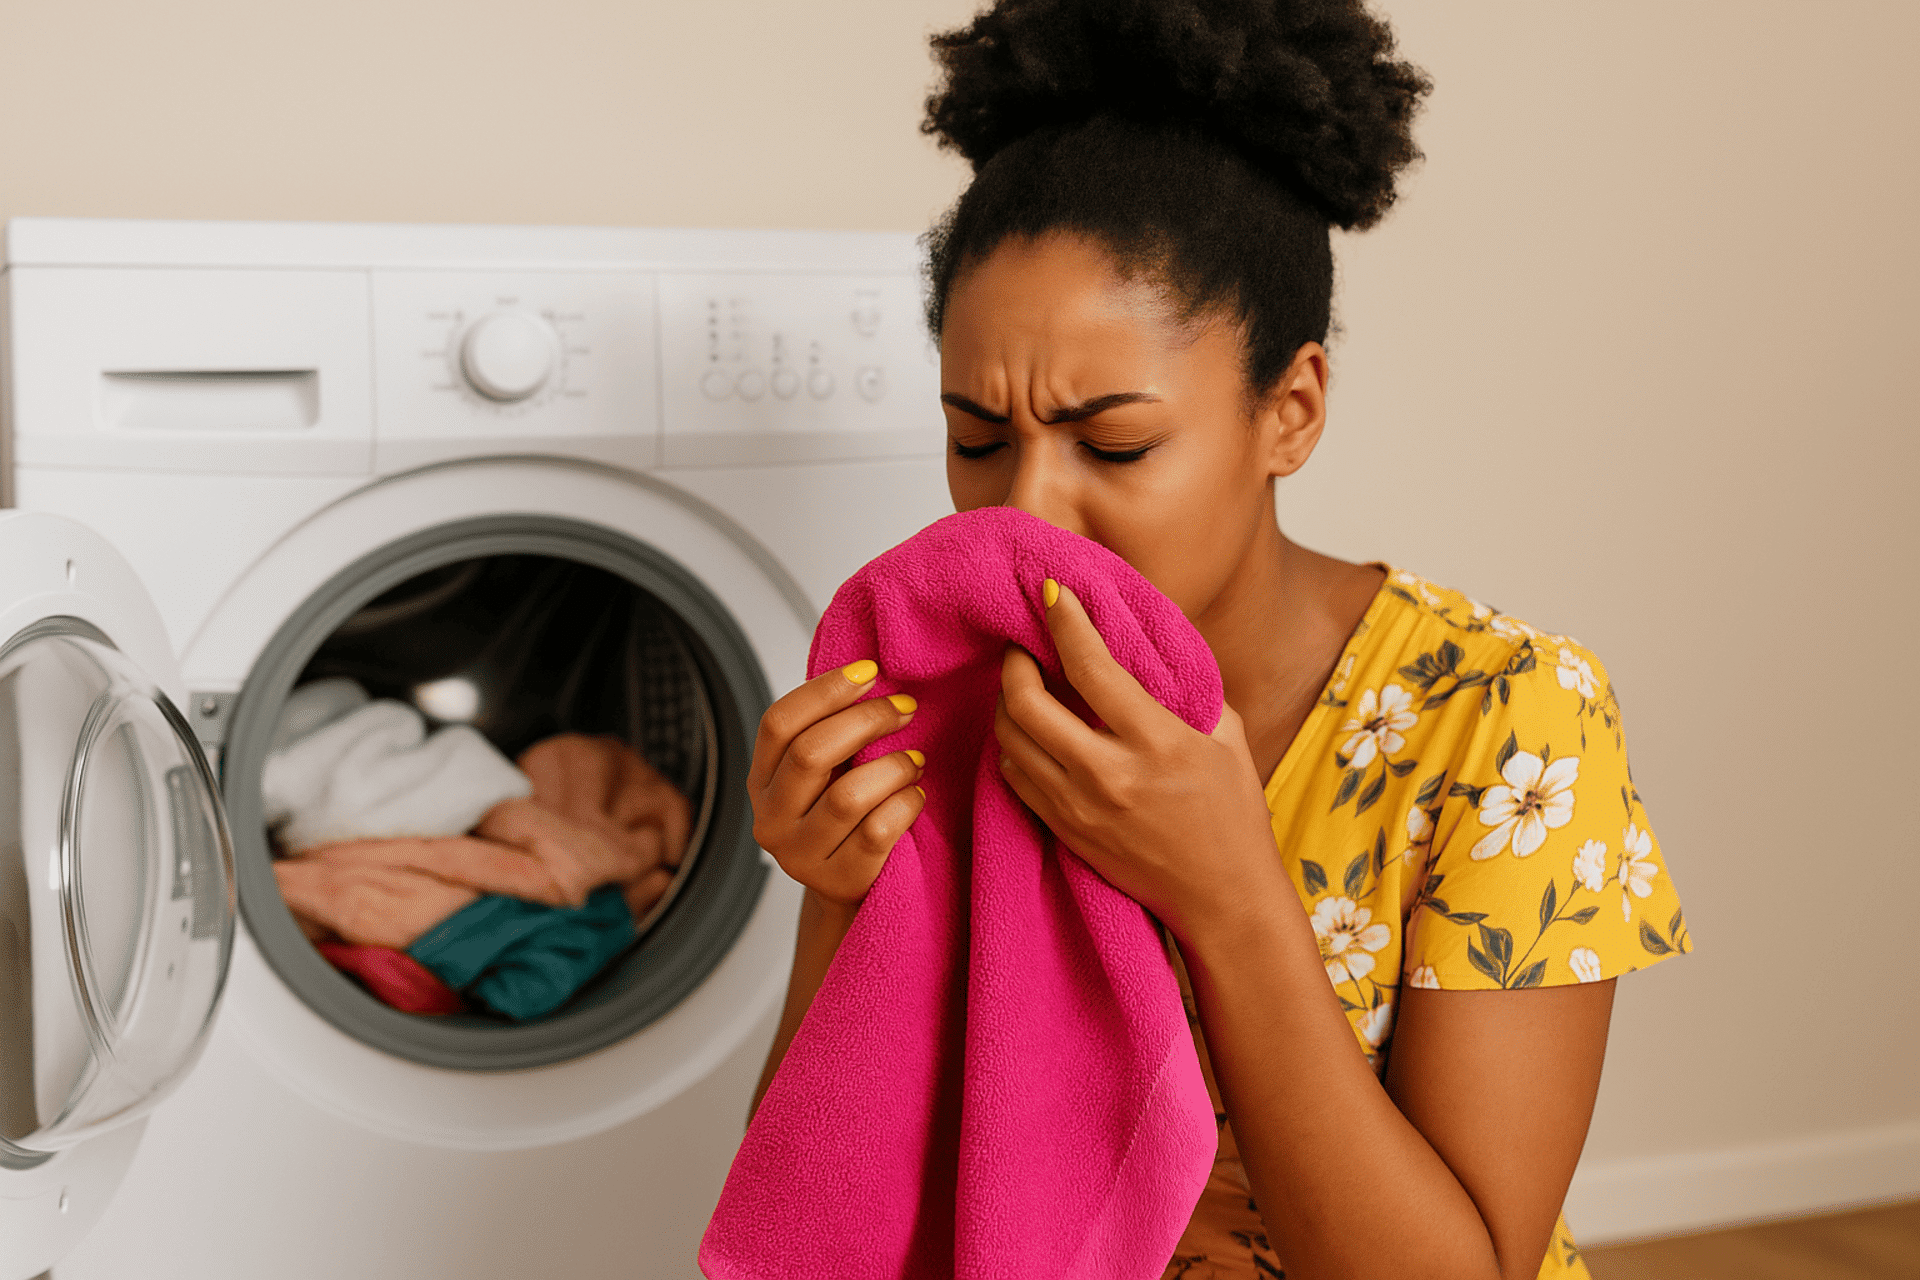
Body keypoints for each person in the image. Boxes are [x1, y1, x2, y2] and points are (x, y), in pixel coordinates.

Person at [743, 1, 1689, 1276]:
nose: (1026, 513)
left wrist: (1230, 889)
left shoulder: (1509, 715)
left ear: (1288, 412)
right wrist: (837, 896)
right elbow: (825, 1209)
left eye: (1115, 445)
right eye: (977, 438)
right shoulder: (952, 708)